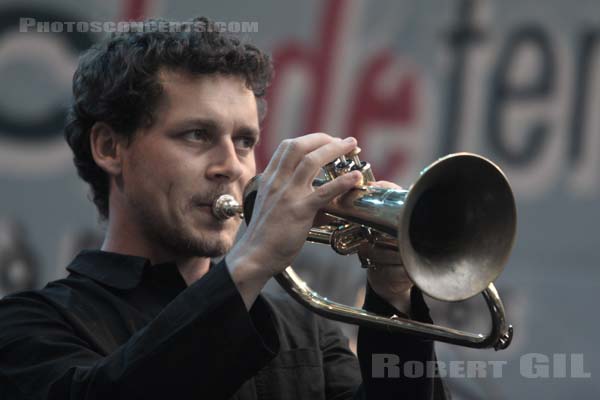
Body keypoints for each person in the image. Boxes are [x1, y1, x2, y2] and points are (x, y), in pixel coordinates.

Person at [0, 17, 448, 399]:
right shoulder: (30, 326)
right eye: (196, 134)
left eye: (245, 141)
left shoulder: (307, 332)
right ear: (109, 146)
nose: (231, 166)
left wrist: (394, 299)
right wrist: (251, 260)